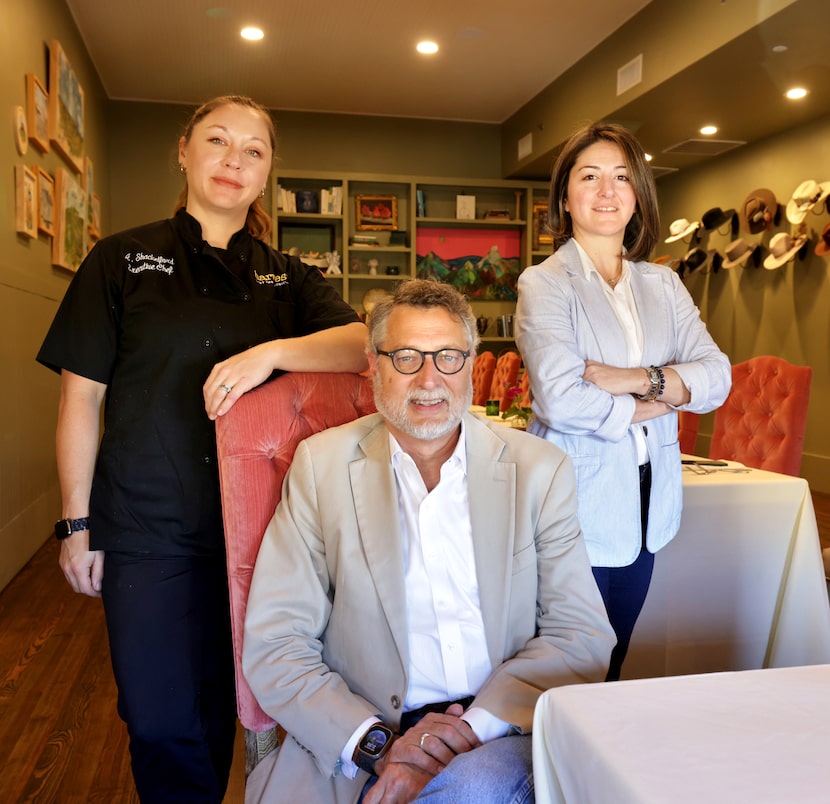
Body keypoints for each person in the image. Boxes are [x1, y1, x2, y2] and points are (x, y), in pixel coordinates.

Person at [36, 95, 368, 802]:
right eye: (217, 141)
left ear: (267, 172)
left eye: (253, 150)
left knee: (230, 710)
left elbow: (361, 342)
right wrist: (74, 524)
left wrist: (271, 353)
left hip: (261, 534)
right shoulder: (121, 259)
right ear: (182, 152)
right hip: (148, 526)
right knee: (159, 721)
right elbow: (81, 399)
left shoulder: (287, 276)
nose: (234, 160)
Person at [242, 279, 615, 803]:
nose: (429, 380)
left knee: (471, 790)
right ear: (374, 364)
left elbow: (579, 633)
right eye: (407, 358)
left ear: (471, 363)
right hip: (360, 734)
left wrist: (467, 732)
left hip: (498, 728)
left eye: (448, 357)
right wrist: (381, 747)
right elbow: (277, 643)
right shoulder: (321, 468)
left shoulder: (538, 470)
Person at [515, 122, 731, 681]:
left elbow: (717, 376)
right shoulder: (545, 283)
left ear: (639, 196)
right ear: (565, 196)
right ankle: (546, 766)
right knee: (569, 664)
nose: (607, 191)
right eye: (590, 176)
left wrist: (633, 378)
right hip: (575, 499)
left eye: (622, 177)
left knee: (615, 659)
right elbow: (562, 402)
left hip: (647, 499)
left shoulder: (663, 284)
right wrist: (666, 395)